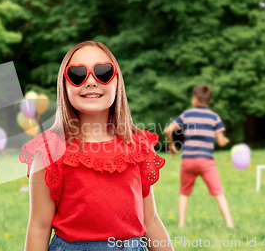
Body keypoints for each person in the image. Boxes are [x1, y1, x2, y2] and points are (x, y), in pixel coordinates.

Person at [20, 41, 174, 251]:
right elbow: (39, 226)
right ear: (63, 85)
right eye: (77, 74)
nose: (91, 81)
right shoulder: (50, 151)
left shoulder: (138, 146)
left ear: (117, 82)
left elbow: (151, 220)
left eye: (103, 72)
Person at [164, 84, 235, 229]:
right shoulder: (214, 117)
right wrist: (226, 140)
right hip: (206, 161)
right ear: (210, 101)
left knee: (184, 192)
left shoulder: (187, 115)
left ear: (195, 100)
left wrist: (171, 146)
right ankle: (230, 225)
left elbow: (167, 130)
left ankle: (181, 224)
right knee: (218, 193)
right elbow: (221, 142)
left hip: (188, 161)